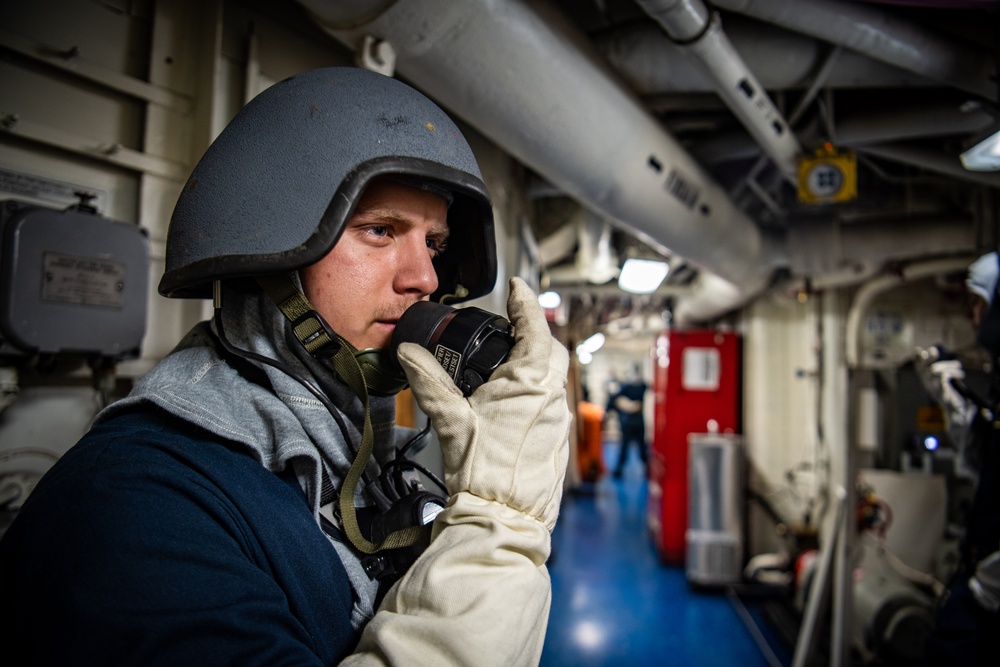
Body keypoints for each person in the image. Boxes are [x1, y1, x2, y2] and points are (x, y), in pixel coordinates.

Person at [0, 67, 571, 666]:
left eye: (432, 243)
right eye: (380, 230)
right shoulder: (137, 509)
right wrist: (498, 522)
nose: (425, 278)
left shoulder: (353, 459)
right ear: (269, 257)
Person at [922, 251, 1000, 665]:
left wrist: (987, 586)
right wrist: (948, 391)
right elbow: (983, 459)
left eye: (980, 304)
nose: (973, 316)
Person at [605, 366, 648, 479]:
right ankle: (619, 470)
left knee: (641, 448)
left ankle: (646, 469)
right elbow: (615, 401)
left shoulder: (641, 387)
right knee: (626, 447)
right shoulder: (626, 388)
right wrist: (630, 406)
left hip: (635, 423)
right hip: (630, 423)